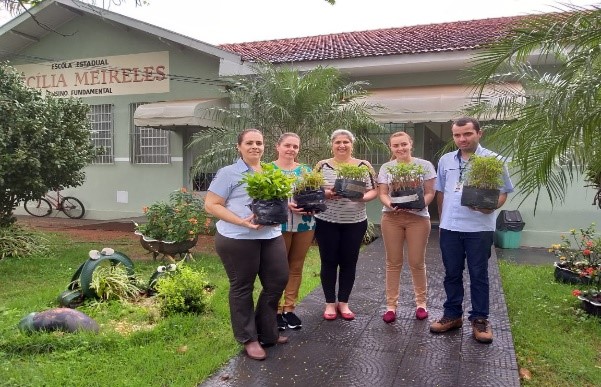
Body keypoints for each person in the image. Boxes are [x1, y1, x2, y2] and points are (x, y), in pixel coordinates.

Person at [204, 128, 289, 361]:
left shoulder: (271, 171)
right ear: (239, 147)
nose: (255, 147)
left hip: (270, 235)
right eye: (249, 143)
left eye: (259, 143)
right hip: (237, 239)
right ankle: (248, 338)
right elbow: (211, 204)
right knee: (242, 287)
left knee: (277, 281)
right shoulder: (228, 173)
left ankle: (267, 332)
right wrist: (241, 221)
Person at [430, 117, 514, 344]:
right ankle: (452, 315)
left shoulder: (494, 160)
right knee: (451, 273)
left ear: (479, 133)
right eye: (457, 135)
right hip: (450, 227)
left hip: (479, 228)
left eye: (467, 134)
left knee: (479, 274)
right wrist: (441, 221)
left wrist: (491, 207)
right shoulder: (446, 160)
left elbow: (504, 192)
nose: (462, 139)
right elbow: (441, 193)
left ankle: (479, 319)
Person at [314, 129, 378, 321]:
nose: (342, 145)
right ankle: (329, 303)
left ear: (352, 144)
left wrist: (362, 198)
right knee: (328, 261)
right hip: (326, 221)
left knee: (349, 262)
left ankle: (344, 302)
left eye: (346, 142)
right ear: (332, 145)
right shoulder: (321, 165)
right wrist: (325, 193)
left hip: (354, 222)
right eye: (338, 142)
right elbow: (312, 187)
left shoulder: (363, 165)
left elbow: (373, 190)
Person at [377, 131, 436, 324]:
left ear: (411, 144)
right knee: (393, 262)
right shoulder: (387, 167)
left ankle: (421, 304)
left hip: (418, 219)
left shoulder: (424, 165)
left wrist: (420, 205)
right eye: (396, 146)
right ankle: (391, 306)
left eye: (403, 144)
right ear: (391, 148)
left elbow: (429, 193)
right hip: (391, 218)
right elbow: (383, 193)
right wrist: (390, 204)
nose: (400, 148)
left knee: (417, 261)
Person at [271, 132, 315, 331]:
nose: (291, 150)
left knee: (296, 266)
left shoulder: (306, 170)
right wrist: (285, 205)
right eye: (287, 145)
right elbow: (262, 198)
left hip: (304, 224)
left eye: (295, 147)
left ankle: (289, 308)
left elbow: (315, 195)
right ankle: (276, 310)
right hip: (278, 225)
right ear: (278, 146)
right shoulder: (267, 170)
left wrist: (308, 204)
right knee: (278, 268)